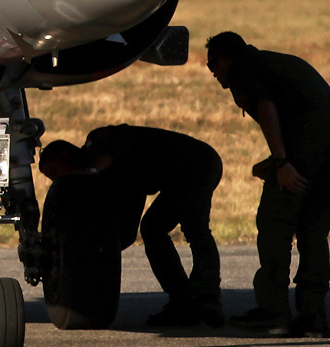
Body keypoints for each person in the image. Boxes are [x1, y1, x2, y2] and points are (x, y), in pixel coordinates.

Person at [205, 32, 330, 337]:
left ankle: (273, 311)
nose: (214, 74)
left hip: (309, 138)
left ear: (222, 59)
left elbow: (267, 107)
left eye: (212, 67)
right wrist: (276, 161)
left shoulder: (243, 70)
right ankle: (313, 315)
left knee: (275, 220)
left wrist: (282, 163)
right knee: (313, 228)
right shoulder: (274, 62)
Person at [39, 124, 224, 327]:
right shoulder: (111, 178)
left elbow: (122, 138)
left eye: (55, 172)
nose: (59, 180)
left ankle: (208, 298)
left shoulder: (97, 141)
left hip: (197, 163)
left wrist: (93, 172)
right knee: (152, 229)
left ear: (66, 154)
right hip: (178, 178)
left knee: (195, 228)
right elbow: (125, 233)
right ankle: (182, 301)